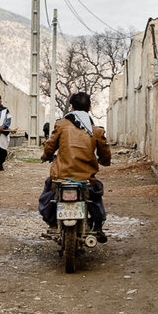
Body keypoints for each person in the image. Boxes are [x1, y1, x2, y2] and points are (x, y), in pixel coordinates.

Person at [39, 92, 111, 241]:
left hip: (62, 176)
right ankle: (98, 224)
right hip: (85, 179)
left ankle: (52, 221)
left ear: (71, 108)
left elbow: (50, 145)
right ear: (90, 108)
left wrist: (45, 156)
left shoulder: (61, 125)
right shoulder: (96, 131)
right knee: (96, 192)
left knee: (49, 188)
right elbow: (105, 154)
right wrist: (104, 161)